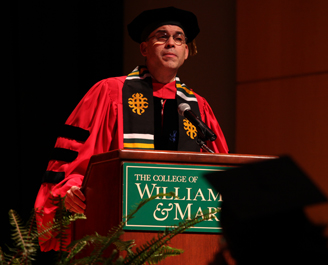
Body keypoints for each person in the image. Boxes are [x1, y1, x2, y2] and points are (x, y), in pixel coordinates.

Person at [34, 6, 229, 252]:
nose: (171, 43)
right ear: (144, 48)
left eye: (179, 38)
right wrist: (70, 187)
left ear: (187, 51)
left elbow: (220, 168)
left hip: (185, 235)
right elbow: (74, 151)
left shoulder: (198, 107)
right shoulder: (109, 92)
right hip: (115, 228)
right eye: (162, 36)